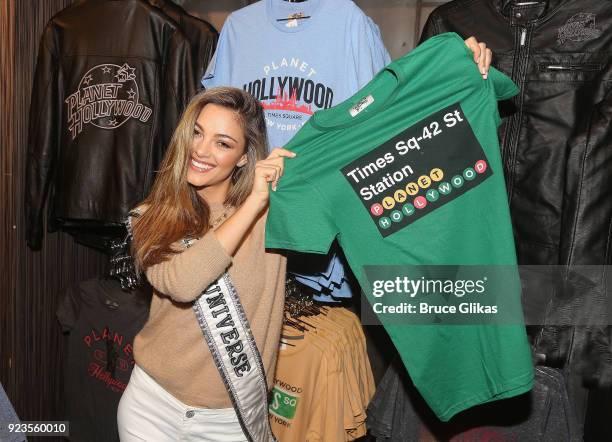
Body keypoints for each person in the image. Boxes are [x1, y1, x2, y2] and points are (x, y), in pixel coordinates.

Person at [117, 37, 494, 442]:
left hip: (228, 421)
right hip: (150, 406)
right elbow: (183, 281)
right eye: (197, 133)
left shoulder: (279, 209)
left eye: (223, 143)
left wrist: (451, 71)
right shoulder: (150, 215)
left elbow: (383, 153)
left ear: (245, 156)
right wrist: (254, 204)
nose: (202, 151)